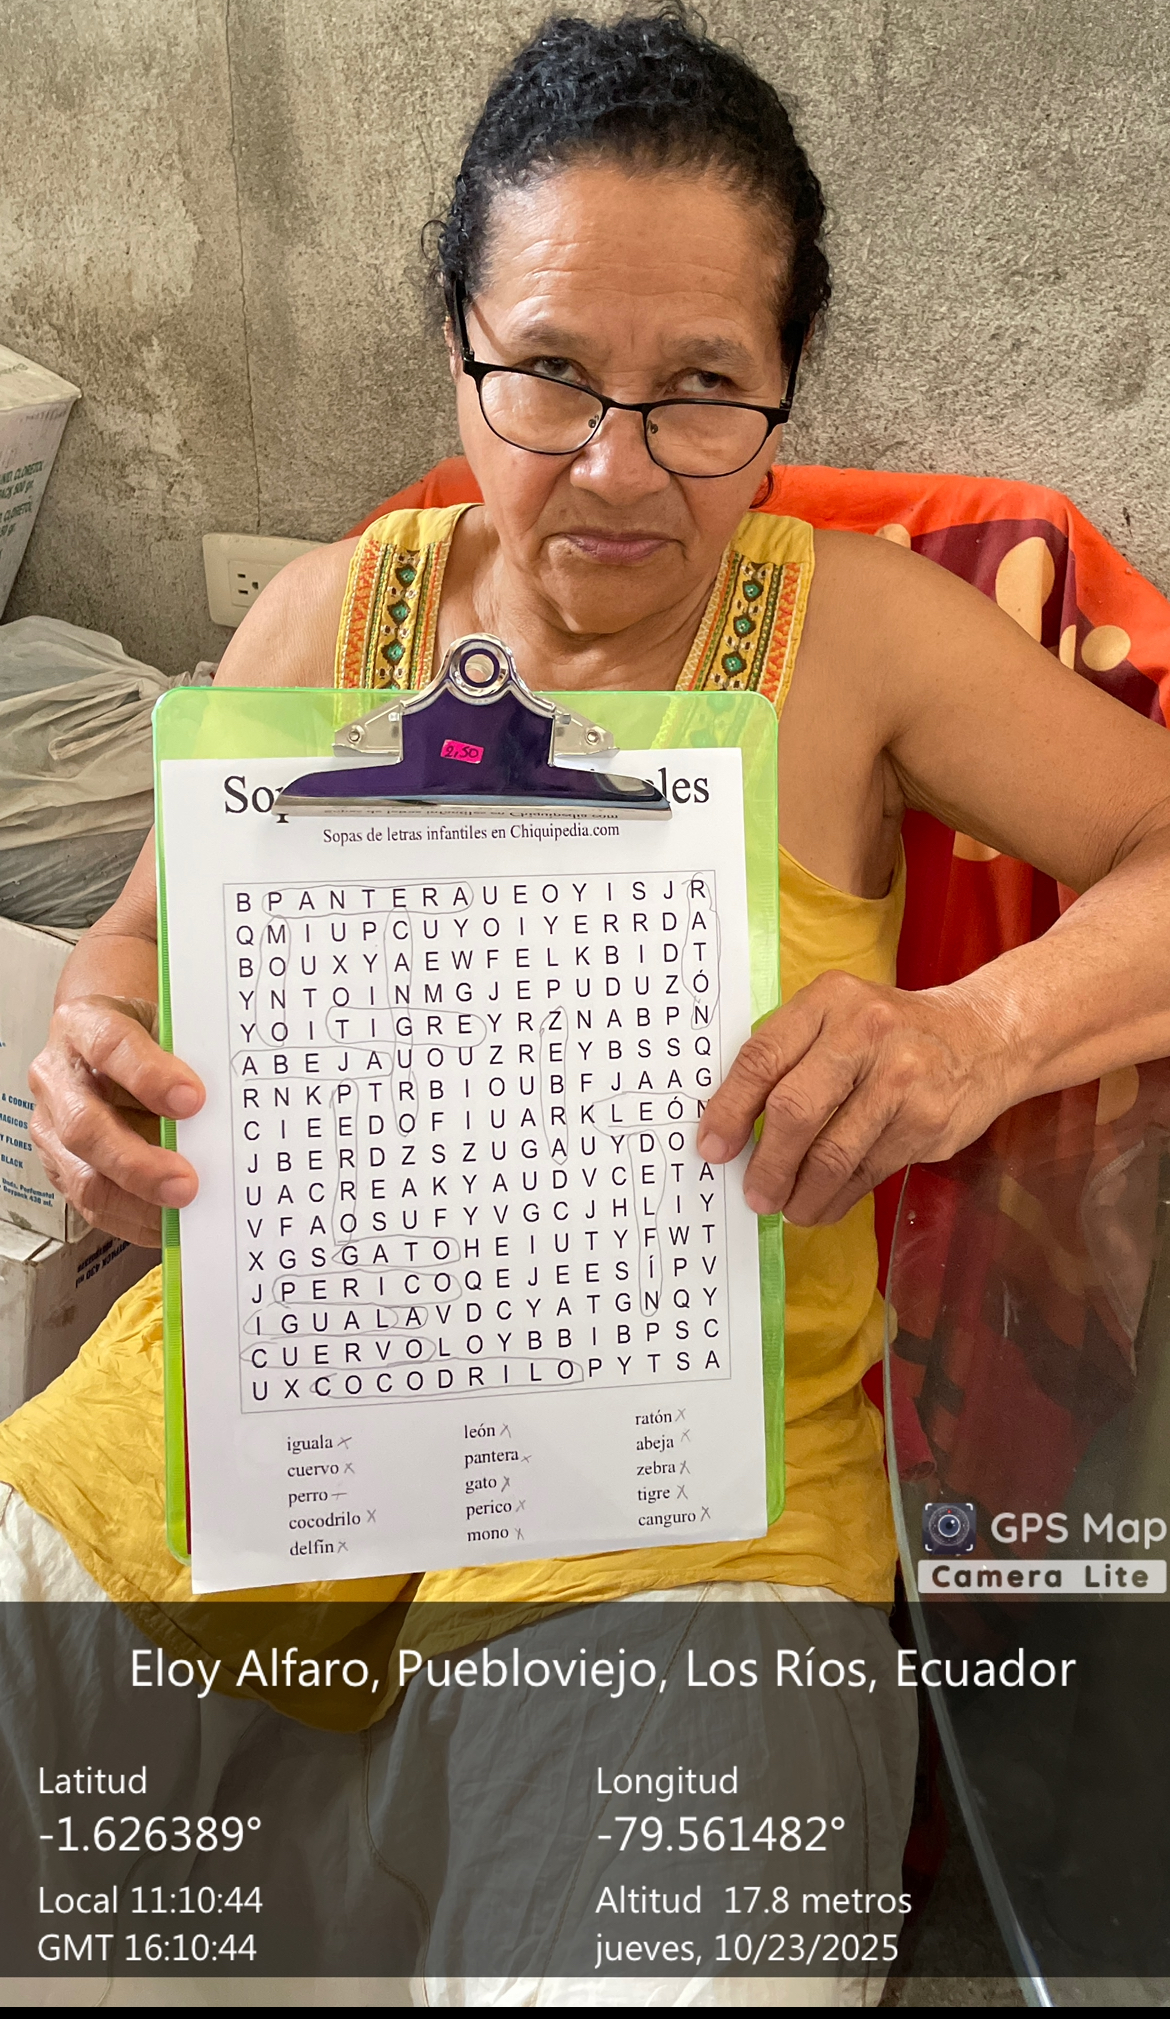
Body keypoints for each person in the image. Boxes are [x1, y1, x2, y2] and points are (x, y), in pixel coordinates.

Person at [5, 8, 1170, 2003]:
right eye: (548, 372)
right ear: (456, 348)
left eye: (701, 387)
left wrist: (974, 1033)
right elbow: (131, 947)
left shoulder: (858, 638)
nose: (618, 467)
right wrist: (89, 1063)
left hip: (687, 1499)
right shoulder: (325, 618)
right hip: (237, 1426)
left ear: (782, 382)